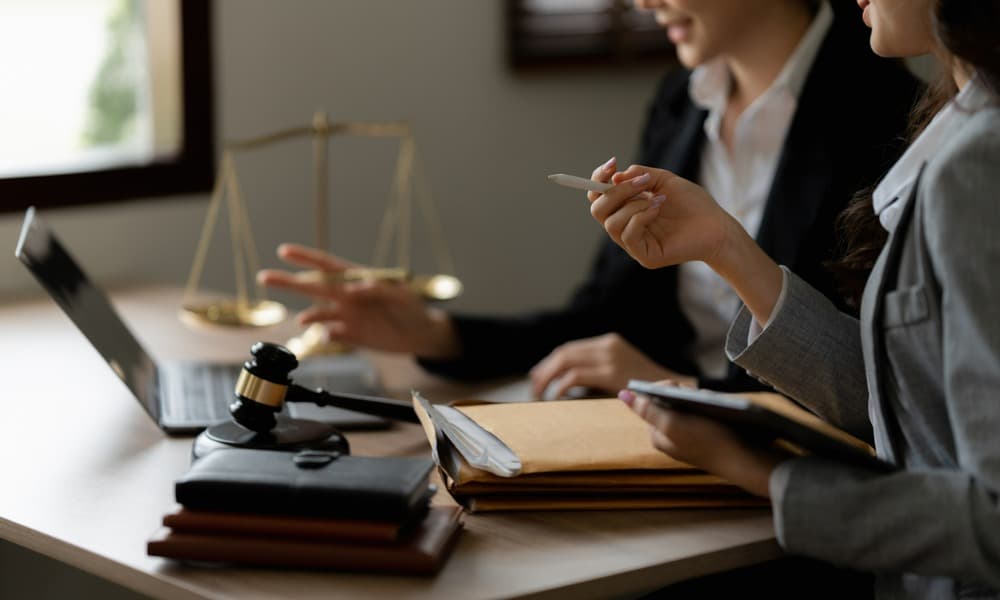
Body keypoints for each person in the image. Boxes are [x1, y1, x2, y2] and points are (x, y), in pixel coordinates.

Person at [259, 0, 920, 399]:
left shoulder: (888, 119)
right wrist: (436, 332)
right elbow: (608, 318)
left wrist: (678, 393)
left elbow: (867, 391)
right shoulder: (681, 103)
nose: (639, 3)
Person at [602, 0, 1000, 596]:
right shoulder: (958, 134)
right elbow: (910, 410)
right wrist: (724, 244)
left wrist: (760, 471)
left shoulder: (977, 166)